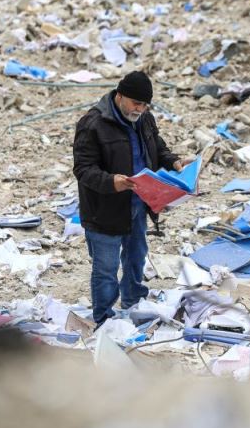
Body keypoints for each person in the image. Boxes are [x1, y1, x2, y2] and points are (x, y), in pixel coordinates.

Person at [73, 71, 190, 326]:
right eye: (136, 103)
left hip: (137, 204)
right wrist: (112, 182)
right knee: (106, 269)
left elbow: (157, 147)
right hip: (105, 210)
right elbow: (83, 169)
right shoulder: (93, 124)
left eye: (145, 104)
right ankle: (104, 319)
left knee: (136, 257)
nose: (141, 109)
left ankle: (133, 301)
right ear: (120, 95)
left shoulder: (143, 118)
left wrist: (174, 161)